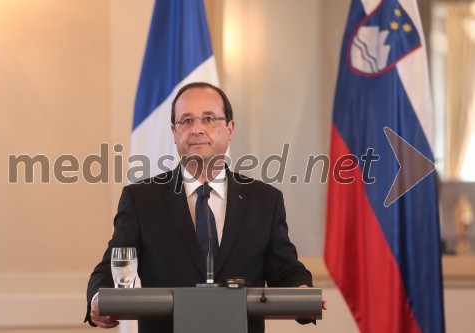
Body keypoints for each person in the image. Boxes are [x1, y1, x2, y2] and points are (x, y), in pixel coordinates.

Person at [85, 82, 325, 333]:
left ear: (230, 128)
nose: (197, 129)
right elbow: (113, 267)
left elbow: (285, 270)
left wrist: (302, 292)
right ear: (174, 131)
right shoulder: (141, 199)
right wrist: (97, 299)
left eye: (209, 118)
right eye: (186, 121)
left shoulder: (264, 200)